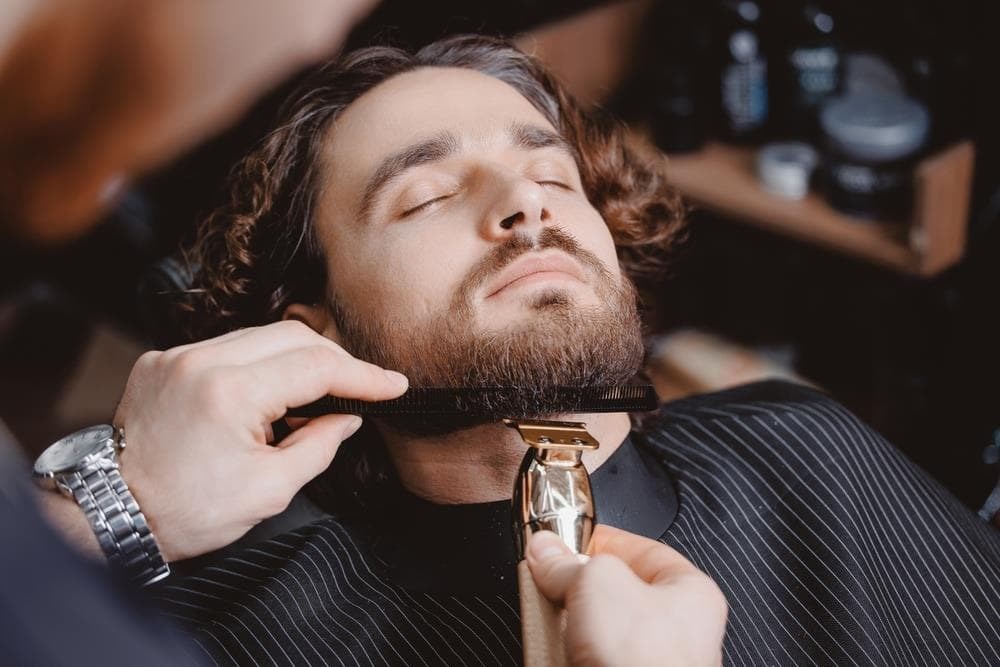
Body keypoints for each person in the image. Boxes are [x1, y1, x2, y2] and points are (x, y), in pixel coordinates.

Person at [46, 33, 992, 665]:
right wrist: (118, 505)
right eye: (424, 196)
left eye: (553, 174)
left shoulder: (805, 447)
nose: (528, 202)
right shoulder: (228, 618)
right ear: (315, 330)